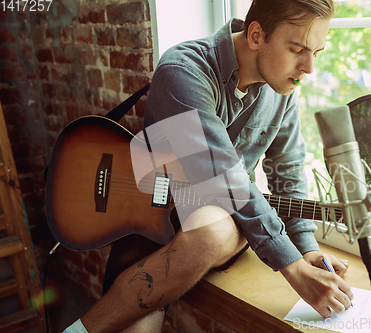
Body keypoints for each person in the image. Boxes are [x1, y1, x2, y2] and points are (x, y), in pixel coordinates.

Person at [63, 0, 353, 332]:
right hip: (151, 223)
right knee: (218, 228)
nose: (309, 68)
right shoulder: (183, 70)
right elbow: (226, 178)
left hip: (213, 221)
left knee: (219, 225)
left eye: (317, 52)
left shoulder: (282, 88)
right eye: (297, 49)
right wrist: (294, 269)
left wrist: (307, 249)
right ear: (256, 34)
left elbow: (288, 169)